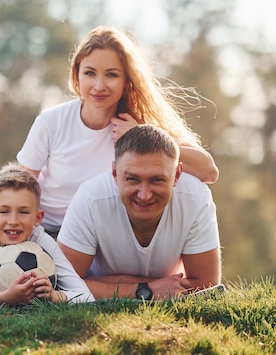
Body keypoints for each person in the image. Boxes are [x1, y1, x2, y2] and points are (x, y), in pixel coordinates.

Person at [0, 25, 219, 278]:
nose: (99, 85)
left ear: (127, 80)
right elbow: (18, 186)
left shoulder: (140, 133)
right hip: (37, 223)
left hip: (87, 236)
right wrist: (10, 227)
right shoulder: (53, 121)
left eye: (111, 75)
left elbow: (208, 171)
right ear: (77, 77)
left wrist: (135, 134)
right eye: (90, 73)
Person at [57, 125, 222, 300]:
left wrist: (101, 284)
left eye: (157, 180)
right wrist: (146, 289)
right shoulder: (90, 198)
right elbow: (65, 283)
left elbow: (207, 288)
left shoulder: (195, 197)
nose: (144, 195)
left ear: (177, 175)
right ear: (115, 174)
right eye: (133, 179)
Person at [0, 162, 94, 305]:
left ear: (38, 218)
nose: (13, 221)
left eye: (23, 212)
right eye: (4, 211)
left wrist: (54, 295)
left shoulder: (41, 240)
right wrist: (4, 298)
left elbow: (86, 296)